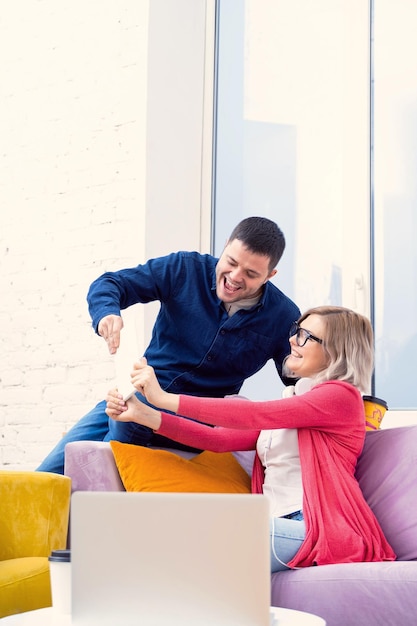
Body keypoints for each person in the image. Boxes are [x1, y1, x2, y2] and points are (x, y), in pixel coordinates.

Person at [105, 305, 396, 572]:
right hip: (273, 523)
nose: (292, 340)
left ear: (335, 350)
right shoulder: (294, 400)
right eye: (296, 330)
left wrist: (163, 398)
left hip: (312, 526)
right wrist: (143, 414)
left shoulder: (340, 397)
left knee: (192, 541)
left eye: (306, 336)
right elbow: (216, 440)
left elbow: (254, 414)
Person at [37, 216, 300, 474]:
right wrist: (108, 313)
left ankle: (96, 495)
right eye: (230, 262)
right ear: (226, 245)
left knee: (114, 434)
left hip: (194, 417)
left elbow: (298, 380)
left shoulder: (283, 317)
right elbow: (112, 283)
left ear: (270, 275)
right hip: (137, 392)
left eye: (251, 274)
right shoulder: (184, 269)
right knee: (46, 477)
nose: (234, 276)